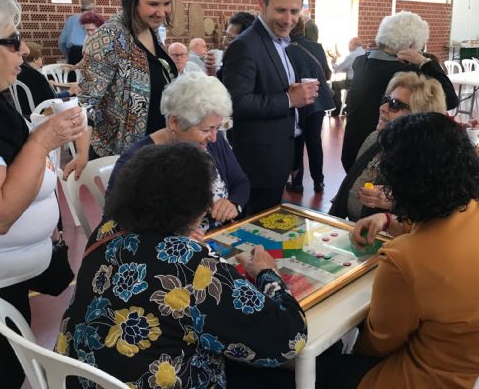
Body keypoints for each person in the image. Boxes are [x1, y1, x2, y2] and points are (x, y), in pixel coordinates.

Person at [318, 113, 479, 389]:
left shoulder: (406, 258)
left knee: (320, 368)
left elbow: (379, 344)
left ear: (403, 182)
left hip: (456, 380)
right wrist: (388, 220)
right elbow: (437, 227)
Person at [56, 143, 306, 389]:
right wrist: (266, 272)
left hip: (79, 378)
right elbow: (288, 338)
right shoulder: (190, 265)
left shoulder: (105, 231)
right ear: (196, 208)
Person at [0, 0, 87, 388]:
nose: (24, 50)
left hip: (10, 281)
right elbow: (0, 214)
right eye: (14, 41)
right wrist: (42, 141)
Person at [222, 0, 319, 214]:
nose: (288, 19)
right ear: (262, 4)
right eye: (281, 10)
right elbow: (237, 102)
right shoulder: (245, 45)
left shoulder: (283, 42)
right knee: (256, 232)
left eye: (294, 12)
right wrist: (289, 99)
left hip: (280, 154)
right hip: (258, 164)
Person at [107, 72, 249, 231]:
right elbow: (114, 224)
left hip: (218, 236)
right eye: (206, 130)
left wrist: (233, 203)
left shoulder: (213, 143)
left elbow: (241, 183)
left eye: (217, 128)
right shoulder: (136, 162)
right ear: (174, 122)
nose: (214, 138)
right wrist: (175, 236)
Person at [79, 0, 177, 159]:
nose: (162, 12)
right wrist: (81, 153)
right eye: (153, 4)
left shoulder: (152, 32)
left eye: (167, 4)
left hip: (157, 148)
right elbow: (86, 103)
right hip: (120, 156)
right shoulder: (108, 37)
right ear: (133, 0)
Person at [340, 11, 458, 171]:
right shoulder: (405, 75)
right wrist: (425, 62)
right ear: (410, 46)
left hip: (351, 150)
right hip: (380, 157)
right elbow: (449, 99)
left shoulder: (360, 62)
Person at [329, 72, 446, 221]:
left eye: (394, 105)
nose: (383, 108)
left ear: (419, 116)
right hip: (354, 230)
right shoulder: (375, 140)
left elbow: (435, 214)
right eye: (386, 100)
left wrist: (394, 203)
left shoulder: (427, 158)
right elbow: (350, 185)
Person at [285, 17, 335, 194]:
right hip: (318, 101)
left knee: (297, 141)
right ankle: (319, 181)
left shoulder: (286, 49)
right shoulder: (318, 47)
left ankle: (297, 182)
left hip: (299, 102)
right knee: (315, 142)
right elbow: (327, 74)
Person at [330, 36, 364, 116]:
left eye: (349, 44)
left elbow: (338, 70)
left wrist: (333, 63)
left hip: (351, 82)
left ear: (354, 44)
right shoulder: (365, 53)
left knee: (334, 85)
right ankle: (347, 107)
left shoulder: (352, 55)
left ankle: (337, 109)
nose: (348, 47)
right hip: (362, 82)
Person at [58, 0, 95, 65]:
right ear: (93, 9)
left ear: (81, 9)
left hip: (73, 53)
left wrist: (68, 55)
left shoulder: (71, 19)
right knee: (87, 74)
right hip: (90, 52)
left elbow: (62, 41)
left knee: (73, 74)